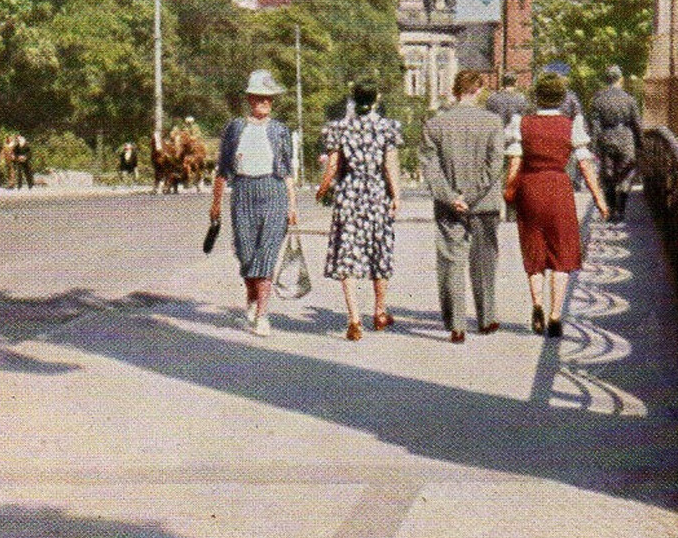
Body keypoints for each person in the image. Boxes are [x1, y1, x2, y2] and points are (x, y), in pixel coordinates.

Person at [504, 72, 611, 338]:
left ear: (537, 96)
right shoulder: (570, 125)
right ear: (562, 98)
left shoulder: (522, 123)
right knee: (561, 254)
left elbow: (515, 162)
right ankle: (555, 316)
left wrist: (509, 190)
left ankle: (537, 304)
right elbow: (585, 164)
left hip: (530, 188)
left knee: (534, 247)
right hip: (559, 189)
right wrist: (598, 198)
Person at [420, 70, 506, 344]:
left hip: (449, 206)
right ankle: (486, 318)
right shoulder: (492, 122)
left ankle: (457, 324)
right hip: (484, 204)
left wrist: (450, 196)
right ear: (479, 90)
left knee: (451, 261)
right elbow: (495, 164)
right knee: (484, 262)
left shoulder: (435, 125)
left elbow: (430, 167)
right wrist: (471, 195)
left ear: (455, 91)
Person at [210, 70, 298, 337]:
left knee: (267, 253)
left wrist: (292, 205)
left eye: (269, 99)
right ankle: (251, 299)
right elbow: (223, 169)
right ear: (250, 99)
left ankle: (262, 314)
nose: (264, 103)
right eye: (259, 98)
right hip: (243, 192)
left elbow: (287, 172)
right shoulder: (235, 128)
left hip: (273, 192)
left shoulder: (280, 130)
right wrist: (215, 204)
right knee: (247, 254)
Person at [317, 80, 403, 341]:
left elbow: (332, 165)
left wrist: (323, 189)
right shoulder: (386, 128)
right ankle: (379, 311)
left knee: (348, 252)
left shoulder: (339, 128)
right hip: (376, 193)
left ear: (353, 99)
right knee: (380, 249)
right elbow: (389, 165)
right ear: (376, 99)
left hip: (349, 193)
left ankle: (354, 319)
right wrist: (396, 195)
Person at [589, 65, 642, 222]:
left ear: (606, 80)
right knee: (626, 174)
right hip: (626, 138)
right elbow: (636, 123)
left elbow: (595, 126)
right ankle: (621, 209)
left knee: (608, 175)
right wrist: (640, 143)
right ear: (621, 79)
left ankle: (611, 209)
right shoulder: (629, 99)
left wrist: (593, 147)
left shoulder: (598, 100)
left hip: (606, 138)